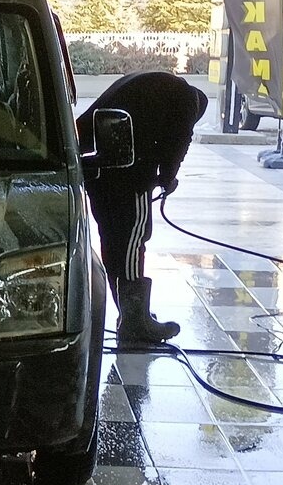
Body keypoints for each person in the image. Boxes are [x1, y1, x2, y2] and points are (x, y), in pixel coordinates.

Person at [76, 70, 209, 347]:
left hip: (98, 170)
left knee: (113, 242)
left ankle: (130, 315)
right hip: (129, 174)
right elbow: (179, 142)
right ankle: (135, 321)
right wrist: (168, 178)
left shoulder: (149, 85)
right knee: (133, 241)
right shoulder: (187, 99)